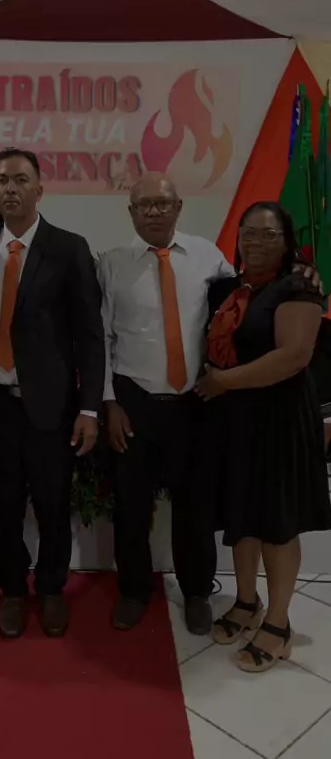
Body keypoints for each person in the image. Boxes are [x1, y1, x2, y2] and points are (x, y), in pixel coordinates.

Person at [98, 174, 321, 636]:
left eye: (163, 203)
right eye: (144, 205)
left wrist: (304, 272)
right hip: (134, 402)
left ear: (179, 207)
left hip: (195, 402)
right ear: (131, 212)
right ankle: (135, 591)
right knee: (132, 506)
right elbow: (99, 338)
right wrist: (109, 402)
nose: (154, 211)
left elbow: (250, 295)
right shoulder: (112, 264)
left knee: (194, 505)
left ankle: (197, 592)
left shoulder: (208, 258)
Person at [0, 148, 104, 639]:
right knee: (4, 503)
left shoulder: (68, 248)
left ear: (40, 189)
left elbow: (89, 335)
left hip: (50, 407)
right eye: (2, 179)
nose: (10, 188)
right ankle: (12, 589)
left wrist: (90, 407)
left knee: (51, 504)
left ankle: (50, 588)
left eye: (21, 179)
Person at [196, 201, 331, 672]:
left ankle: (278, 622)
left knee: (276, 522)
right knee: (243, 514)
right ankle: (247, 600)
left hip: (279, 420)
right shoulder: (232, 288)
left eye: (269, 234)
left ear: (287, 240)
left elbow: (293, 357)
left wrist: (223, 382)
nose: (256, 242)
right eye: (248, 233)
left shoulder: (298, 287)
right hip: (237, 420)